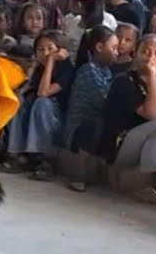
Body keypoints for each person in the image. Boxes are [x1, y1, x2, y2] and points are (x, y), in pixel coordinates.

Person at [99, 34, 156, 204]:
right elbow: (152, 114)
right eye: (145, 52)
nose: (151, 58)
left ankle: (151, 179)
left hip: (140, 144)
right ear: (135, 55)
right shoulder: (125, 82)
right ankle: (141, 183)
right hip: (119, 145)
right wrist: (152, 77)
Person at [4, 31, 74, 180]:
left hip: (58, 123)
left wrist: (50, 61)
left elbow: (44, 92)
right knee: (20, 102)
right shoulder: (39, 69)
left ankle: (45, 160)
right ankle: (16, 154)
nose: (46, 53)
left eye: (50, 48)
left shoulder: (67, 69)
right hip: (36, 119)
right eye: (41, 50)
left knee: (42, 103)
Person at [64, 25, 118, 192]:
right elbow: (102, 102)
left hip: (98, 125)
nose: (117, 52)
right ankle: (78, 174)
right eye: (114, 48)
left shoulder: (107, 72)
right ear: (100, 47)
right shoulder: (87, 71)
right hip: (80, 130)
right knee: (95, 125)